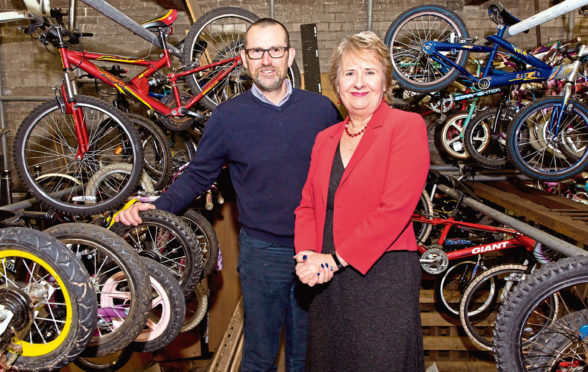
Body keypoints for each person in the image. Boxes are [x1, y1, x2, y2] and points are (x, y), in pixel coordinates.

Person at [115, 18, 341, 372]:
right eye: (257, 51)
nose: (266, 60)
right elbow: (198, 177)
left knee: (307, 356)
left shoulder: (321, 111)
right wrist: (152, 208)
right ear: (244, 60)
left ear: (290, 56)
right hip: (262, 253)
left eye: (275, 50)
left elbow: (344, 178)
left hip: (315, 249)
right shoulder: (227, 117)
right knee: (259, 356)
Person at [294, 31, 430, 371]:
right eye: (349, 73)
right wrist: (307, 255)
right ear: (337, 84)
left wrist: (333, 260)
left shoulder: (406, 126)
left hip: (382, 275)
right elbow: (308, 206)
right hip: (327, 279)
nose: (359, 82)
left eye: (369, 72)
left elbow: (395, 209)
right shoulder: (324, 139)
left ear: (385, 82)